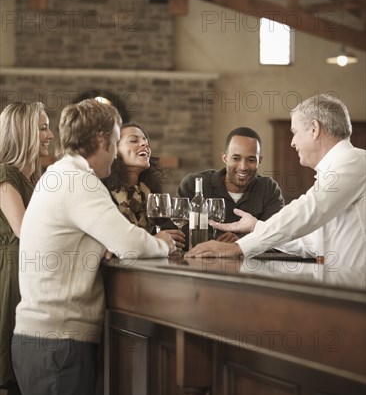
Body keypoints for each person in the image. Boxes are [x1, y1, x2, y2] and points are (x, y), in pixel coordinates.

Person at [11, 99, 178, 395]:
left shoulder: (57, 175)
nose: (115, 155)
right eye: (115, 143)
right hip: (58, 344)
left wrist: (103, 243)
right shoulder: (81, 183)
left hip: (41, 339)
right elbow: (130, 243)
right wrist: (163, 244)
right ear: (101, 139)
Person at [185, 94, 366, 268]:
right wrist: (257, 227)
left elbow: (305, 212)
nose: (292, 142)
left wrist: (238, 247)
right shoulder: (341, 168)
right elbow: (311, 244)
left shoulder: (354, 161)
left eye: (295, 132)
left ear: (314, 129)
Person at [0, 102, 54, 395]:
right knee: (17, 372)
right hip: (13, 276)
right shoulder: (5, 175)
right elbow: (26, 232)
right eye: (43, 127)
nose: (51, 134)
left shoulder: (32, 178)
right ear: (22, 132)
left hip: (27, 271)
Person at [178, 126, 284, 241]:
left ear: (260, 161)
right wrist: (221, 242)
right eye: (236, 158)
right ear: (225, 158)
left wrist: (239, 242)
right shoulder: (194, 184)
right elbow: (179, 230)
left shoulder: (269, 189)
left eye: (251, 160)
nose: (243, 167)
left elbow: (277, 235)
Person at [103, 122, 184, 242]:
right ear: (114, 149)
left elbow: (166, 231)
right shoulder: (103, 191)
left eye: (145, 141)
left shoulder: (148, 192)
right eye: (133, 140)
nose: (144, 144)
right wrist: (154, 241)